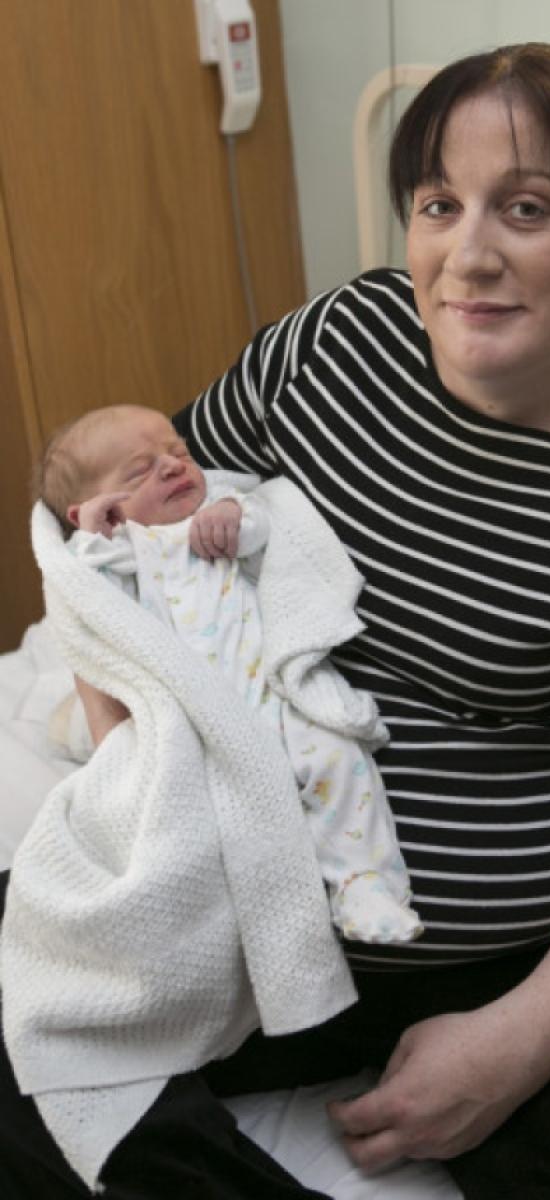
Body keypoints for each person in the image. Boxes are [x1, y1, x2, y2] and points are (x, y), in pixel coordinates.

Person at [0, 41, 550, 1200]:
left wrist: (512, 1042)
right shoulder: (336, 346)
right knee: (30, 1039)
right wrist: (116, 697)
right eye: (436, 204)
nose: (465, 258)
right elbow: (146, 514)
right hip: (251, 881)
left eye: (524, 208)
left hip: (524, 950)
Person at [37, 402, 423, 946]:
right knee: (187, 812)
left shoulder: (220, 509)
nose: (173, 467)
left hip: (270, 697)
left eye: (178, 452)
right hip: (188, 719)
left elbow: (271, 536)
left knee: (338, 762)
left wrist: (235, 521)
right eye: (139, 470)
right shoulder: (120, 549)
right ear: (95, 509)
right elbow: (88, 602)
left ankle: (365, 884)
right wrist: (95, 537)